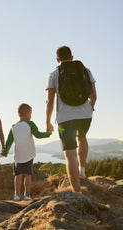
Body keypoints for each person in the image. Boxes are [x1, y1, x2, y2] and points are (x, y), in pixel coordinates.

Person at [46, 46, 97, 193]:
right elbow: (93, 95)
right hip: (85, 116)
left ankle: (77, 192)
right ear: (72, 57)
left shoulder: (54, 74)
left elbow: (50, 101)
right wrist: (89, 109)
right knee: (82, 137)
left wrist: (48, 121)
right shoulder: (85, 71)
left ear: (57, 59)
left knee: (69, 155)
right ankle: (82, 171)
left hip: (65, 118)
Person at [1, 104, 51, 201]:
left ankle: (17, 195)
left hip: (18, 155)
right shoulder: (30, 124)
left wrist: (5, 151)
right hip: (28, 154)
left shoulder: (13, 126)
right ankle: (27, 195)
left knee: (18, 175)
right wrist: (47, 134)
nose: (31, 115)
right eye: (30, 113)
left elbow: (9, 141)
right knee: (28, 175)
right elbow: (38, 135)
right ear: (27, 113)